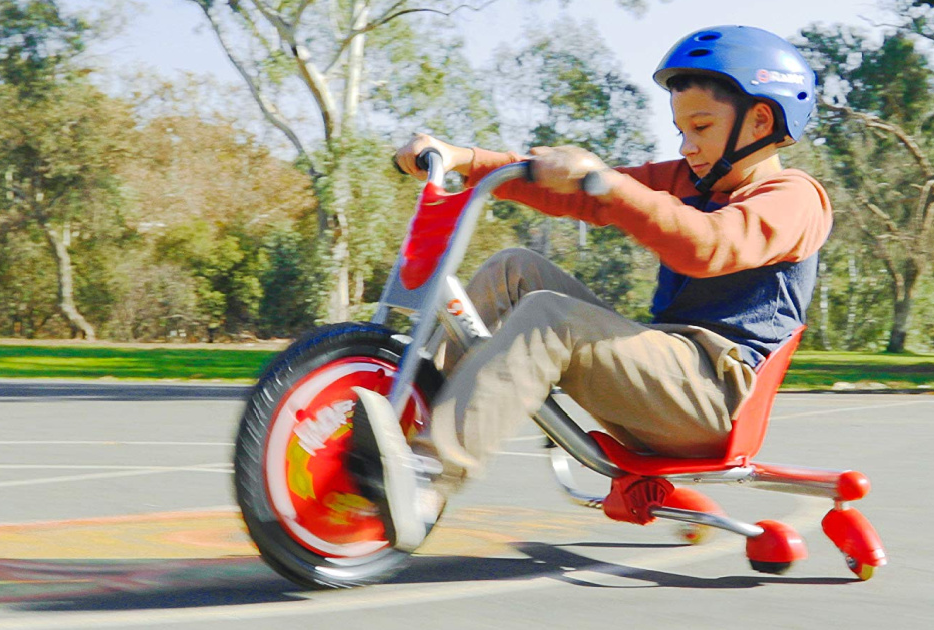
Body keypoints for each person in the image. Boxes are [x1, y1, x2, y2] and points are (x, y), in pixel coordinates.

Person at [351, 25, 833, 551]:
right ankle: (408, 418)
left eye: (700, 126)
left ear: (761, 120)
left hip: (714, 400)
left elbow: (711, 245)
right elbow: (580, 194)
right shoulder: (686, 180)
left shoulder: (795, 197)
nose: (687, 145)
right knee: (514, 268)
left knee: (551, 315)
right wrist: (464, 159)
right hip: (660, 379)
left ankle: (426, 477)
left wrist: (612, 183)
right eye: (680, 129)